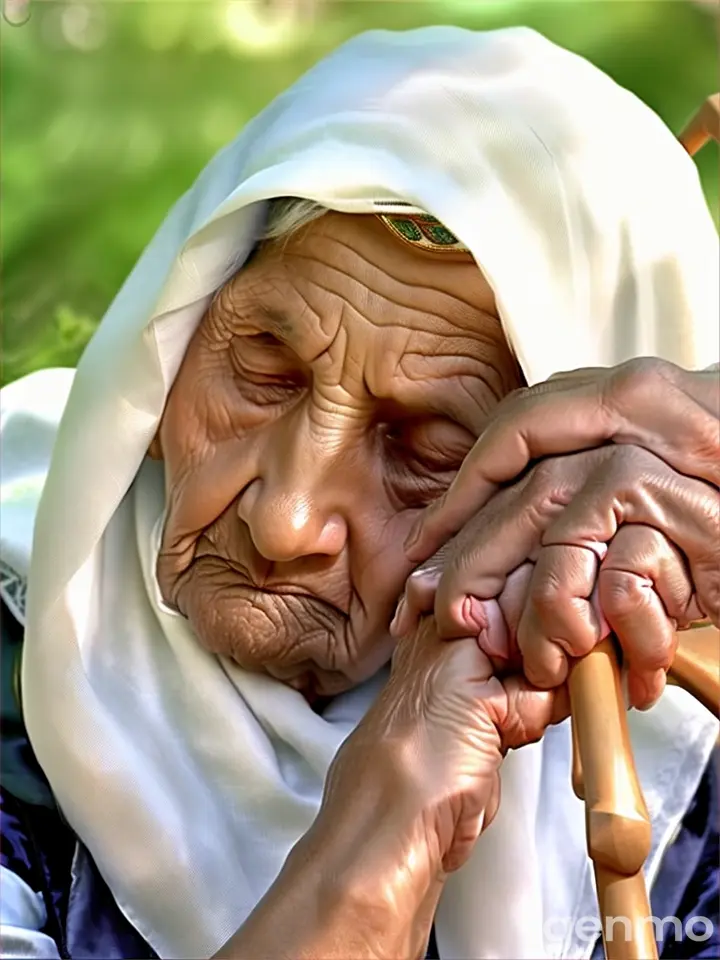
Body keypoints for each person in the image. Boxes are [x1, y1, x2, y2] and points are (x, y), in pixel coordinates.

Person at [1, 25, 717, 960]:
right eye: (264, 370)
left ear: (563, 501)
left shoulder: (666, 805)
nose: (285, 518)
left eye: (421, 447)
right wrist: (388, 830)